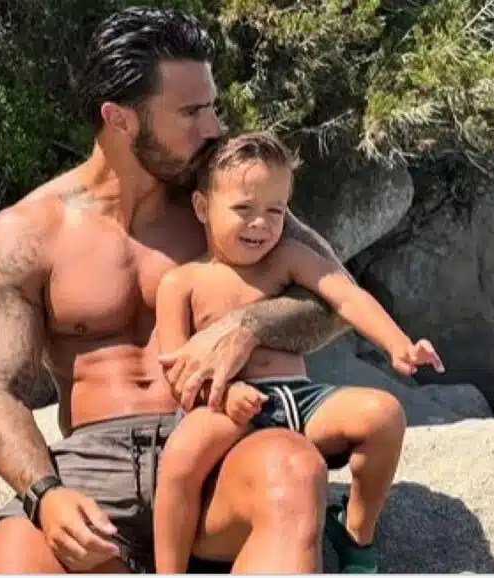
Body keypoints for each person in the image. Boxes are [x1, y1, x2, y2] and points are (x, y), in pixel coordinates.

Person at [0, 7, 410, 574]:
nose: (213, 127)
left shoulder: (226, 205)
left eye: (211, 106)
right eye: (191, 112)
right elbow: (0, 393)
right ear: (120, 119)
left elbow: (339, 299)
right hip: (94, 467)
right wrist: (44, 493)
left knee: (294, 468)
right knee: (11, 553)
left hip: (223, 448)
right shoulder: (27, 233)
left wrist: (247, 324)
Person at [151, 131, 446, 574]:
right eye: (243, 209)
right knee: (181, 457)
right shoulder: (181, 283)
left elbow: (346, 296)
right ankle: (170, 569)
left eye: (275, 211)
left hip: (300, 400)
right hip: (226, 409)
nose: (261, 224)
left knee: (383, 415)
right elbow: (176, 368)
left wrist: (398, 345)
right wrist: (223, 395)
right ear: (202, 207)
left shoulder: (288, 256)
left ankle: (355, 534)